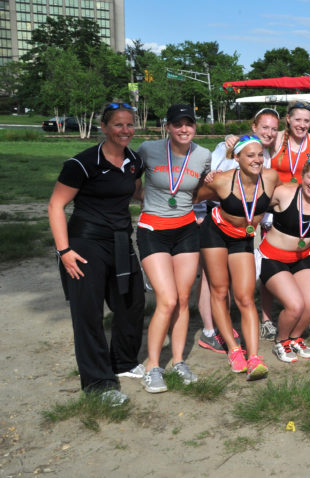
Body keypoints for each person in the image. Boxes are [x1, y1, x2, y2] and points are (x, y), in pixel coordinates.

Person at [48, 101, 145, 406]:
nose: (125, 130)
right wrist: (64, 251)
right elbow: (55, 206)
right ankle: (98, 383)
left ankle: (123, 362)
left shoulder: (133, 161)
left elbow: (136, 191)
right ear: (104, 127)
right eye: (118, 124)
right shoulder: (81, 164)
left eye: (129, 124)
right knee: (88, 313)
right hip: (85, 242)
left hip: (120, 240)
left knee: (131, 303)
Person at [135, 104, 212, 393]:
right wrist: (144, 199)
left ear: (194, 127)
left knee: (182, 299)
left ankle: (178, 360)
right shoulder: (148, 149)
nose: (184, 129)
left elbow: (203, 188)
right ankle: (152, 365)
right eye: (177, 124)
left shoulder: (203, 155)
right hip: (153, 229)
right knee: (165, 300)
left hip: (186, 230)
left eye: (189, 124)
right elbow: (131, 183)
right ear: (167, 126)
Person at [195, 135, 280, 380]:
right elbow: (194, 197)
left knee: (244, 296)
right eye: (250, 155)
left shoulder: (270, 177)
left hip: (243, 236)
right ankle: (234, 351)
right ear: (237, 158)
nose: (256, 160)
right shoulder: (222, 181)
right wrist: (195, 215)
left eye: (260, 155)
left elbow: (287, 193)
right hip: (215, 234)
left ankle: (253, 358)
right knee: (220, 291)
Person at [262, 158, 310, 363]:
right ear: (302, 176)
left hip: (302, 257)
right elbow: (253, 199)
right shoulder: (284, 192)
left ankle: (294, 337)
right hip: (272, 256)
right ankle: (281, 340)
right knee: (295, 306)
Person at [270, 101, 310, 184]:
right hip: (277, 194)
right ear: (288, 118)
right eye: (298, 120)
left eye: (306, 121)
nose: (302, 125)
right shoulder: (276, 138)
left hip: (303, 195)